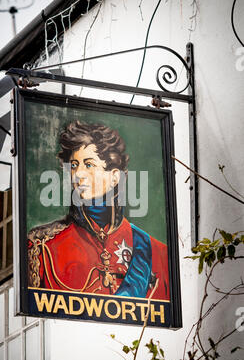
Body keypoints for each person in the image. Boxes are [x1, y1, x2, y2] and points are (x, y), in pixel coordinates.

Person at [27, 120, 169, 300]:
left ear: (115, 177)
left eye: (88, 165)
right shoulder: (42, 246)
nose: (78, 174)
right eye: (73, 165)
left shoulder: (158, 253)